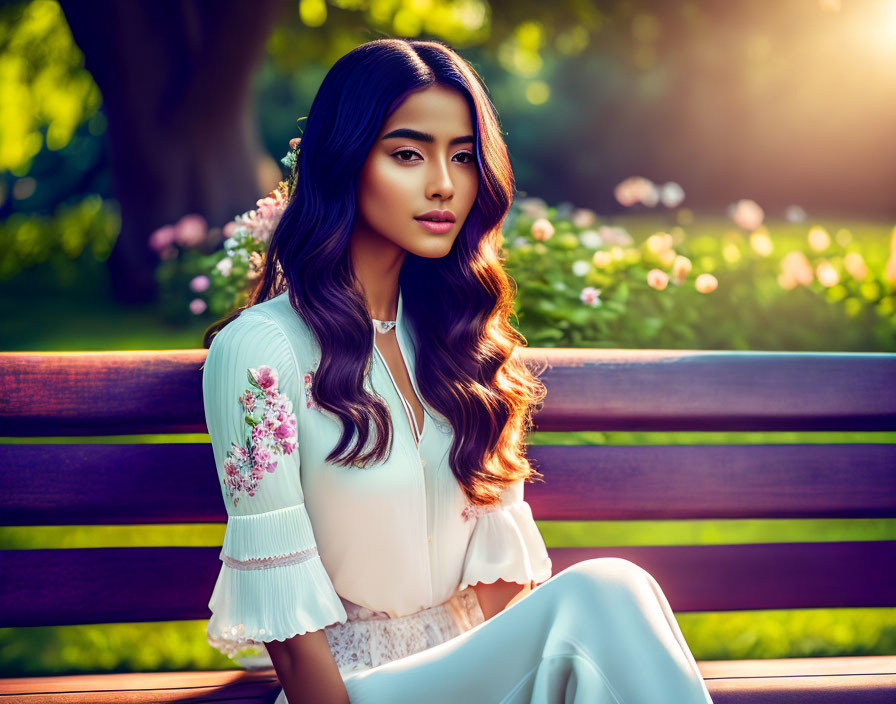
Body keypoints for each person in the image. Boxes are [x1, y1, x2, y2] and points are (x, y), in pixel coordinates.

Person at [201, 37, 714, 704]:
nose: (444, 182)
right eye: (408, 154)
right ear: (346, 161)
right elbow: (294, 646)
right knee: (608, 589)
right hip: (353, 689)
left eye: (463, 156)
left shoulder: (458, 340)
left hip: (475, 675)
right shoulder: (262, 352)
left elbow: (506, 595)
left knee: (620, 594)